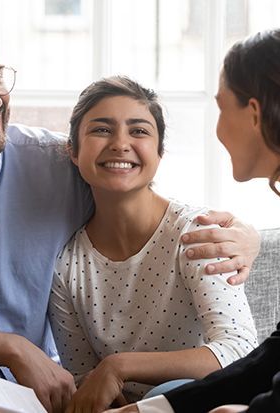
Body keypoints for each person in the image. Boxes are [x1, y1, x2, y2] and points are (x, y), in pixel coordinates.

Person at [0, 5, 260, 413]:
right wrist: (11, 348)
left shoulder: (58, 165)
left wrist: (248, 236)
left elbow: (138, 196)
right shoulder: (70, 265)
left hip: (38, 400)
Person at [48, 76, 258, 413]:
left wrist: (120, 366)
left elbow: (239, 349)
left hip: (200, 402)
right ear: (72, 150)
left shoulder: (195, 234)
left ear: (159, 152)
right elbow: (86, 380)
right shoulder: (66, 264)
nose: (120, 143)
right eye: (101, 130)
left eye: (139, 131)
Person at [104, 28, 280, 413]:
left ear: (253, 113)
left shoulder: (196, 233)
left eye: (221, 108)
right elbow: (272, 359)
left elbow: (246, 353)